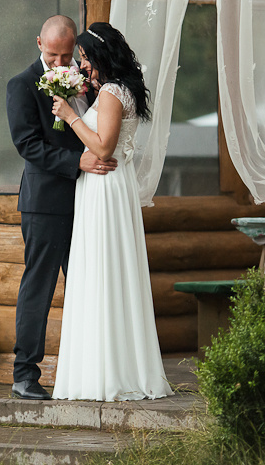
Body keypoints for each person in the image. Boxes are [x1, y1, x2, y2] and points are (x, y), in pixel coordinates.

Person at [50, 21, 172, 402]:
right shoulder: (118, 90)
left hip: (104, 186)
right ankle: (108, 365)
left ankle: (107, 373)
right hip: (105, 188)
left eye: (85, 58)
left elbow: (103, 149)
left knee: (103, 272)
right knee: (105, 272)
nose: (83, 66)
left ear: (101, 56)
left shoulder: (114, 93)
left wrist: (70, 116)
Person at [5, 15, 118, 400]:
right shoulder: (21, 85)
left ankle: (87, 371)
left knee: (87, 285)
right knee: (39, 285)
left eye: (66, 56)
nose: (58, 64)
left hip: (88, 202)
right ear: (39, 43)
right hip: (45, 203)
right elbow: (27, 145)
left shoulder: (88, 80)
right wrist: (77, 163)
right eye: (52, 55)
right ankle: (24, 375)